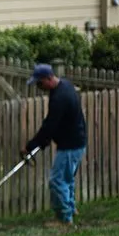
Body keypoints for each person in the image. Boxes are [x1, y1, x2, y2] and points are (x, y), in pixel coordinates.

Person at [21, 64, 87, 226]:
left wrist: (30, 146)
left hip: (70, 145)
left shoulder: (59, 98)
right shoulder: (65, 85)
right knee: (67, 178)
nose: (39, 86)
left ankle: (64, 218)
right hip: (77, 141)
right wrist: (43, 141)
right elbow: (56, 124)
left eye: (39, 83)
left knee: (57, 181)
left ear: (49, 78)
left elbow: (49, 126)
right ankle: (70, 208)